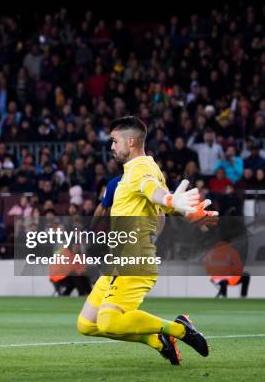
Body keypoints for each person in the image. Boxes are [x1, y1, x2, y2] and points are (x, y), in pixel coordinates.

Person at [76, 116, 217, 366]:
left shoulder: (140, 170)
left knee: (109, 321)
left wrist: (172, 201)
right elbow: (160, 200)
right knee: (87, 324)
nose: (111, 147)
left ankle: (179, 329)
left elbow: (154, 191)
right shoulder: (144, 168)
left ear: (130, 142)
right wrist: (183, 210)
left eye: (114, 141)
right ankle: (157, 341)